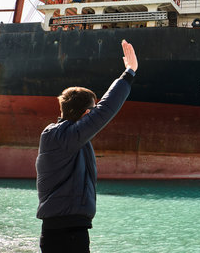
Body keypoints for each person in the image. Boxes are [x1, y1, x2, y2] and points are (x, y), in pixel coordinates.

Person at [36, 39, 138, 253]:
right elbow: (105, 109)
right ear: (85, 113)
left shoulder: (63, 138)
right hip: (68, 234)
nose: (94, 111)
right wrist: (129, 72)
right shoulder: (63, 137)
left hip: (66, 231)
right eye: (92, 109)